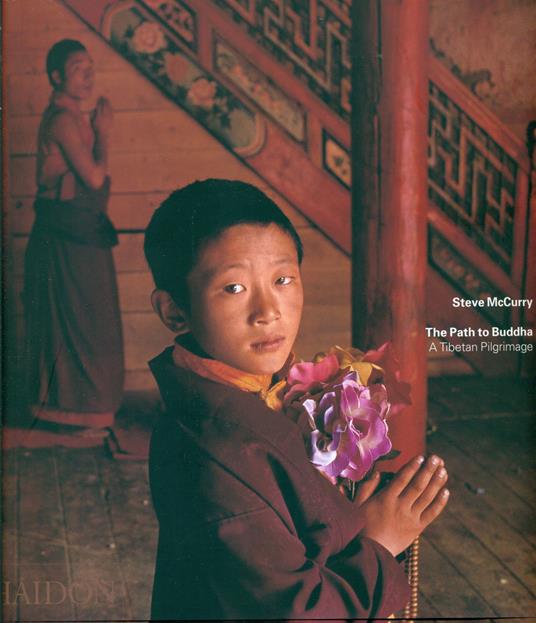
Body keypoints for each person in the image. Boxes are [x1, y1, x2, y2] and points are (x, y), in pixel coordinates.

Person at [144, 179, 449, 620]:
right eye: (234, 288)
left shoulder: (268, 392)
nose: (269, 311)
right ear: (173, 309)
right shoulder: (211, 445)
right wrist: (379, 545)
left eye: (283, 279)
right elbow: (293, 612)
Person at [23, 39, 123, 435]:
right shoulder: (63, 120)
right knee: (74, 321)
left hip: (79, 231)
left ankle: (89, 409)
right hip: (63, 235)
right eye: (78, 68)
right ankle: (65, 411)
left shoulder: (75, 117)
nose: (88, 75)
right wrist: (105, 134)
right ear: (57, 76)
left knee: (90, 318)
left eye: (90, 68)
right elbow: (94, 178)